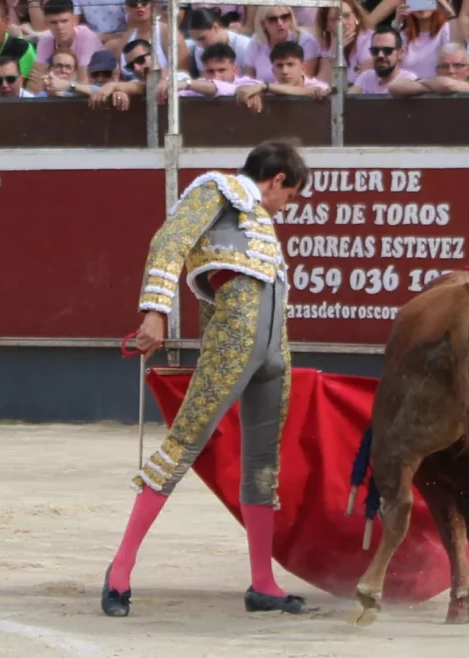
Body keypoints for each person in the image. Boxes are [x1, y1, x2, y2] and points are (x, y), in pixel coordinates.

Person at [101, 139, 310, 617]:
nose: (286, 207)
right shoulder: (217, 190)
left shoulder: (257, 218)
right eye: (289, 196)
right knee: (181, 446)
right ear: (277, 180)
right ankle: (119, 574)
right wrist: (154, 313)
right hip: (232, 345)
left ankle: (262, 584)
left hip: (275, 351)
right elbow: (169, 241)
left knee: (263, 467)